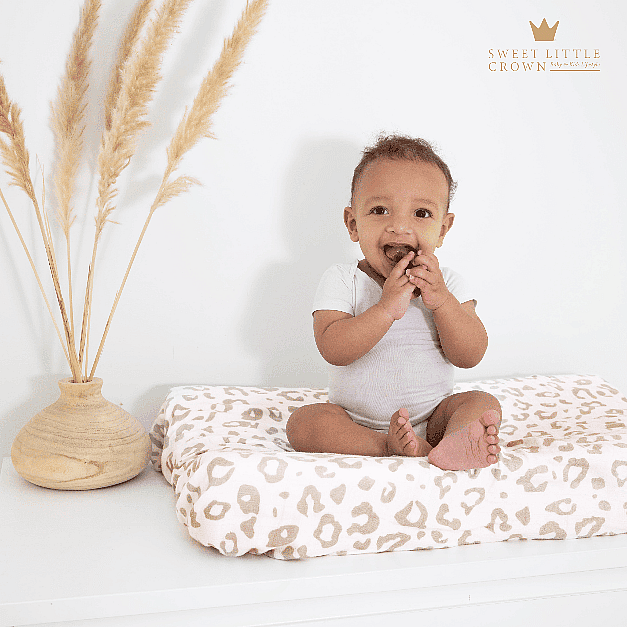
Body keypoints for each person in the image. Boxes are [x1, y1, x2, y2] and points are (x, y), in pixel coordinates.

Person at [286, 134, 501, 471]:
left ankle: (453, 441)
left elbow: (470, 355)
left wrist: (442, 302)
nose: (399, 226)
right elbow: (333, 348)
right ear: (353, 224)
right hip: (354, 423)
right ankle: (385, 445)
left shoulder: (449, 284)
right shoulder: (343, 279)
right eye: (380, 210)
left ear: (443, 229)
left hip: (433, 418)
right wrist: (385, 309)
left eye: (421, 213)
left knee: (482, 403)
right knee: (303, 423)